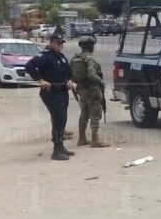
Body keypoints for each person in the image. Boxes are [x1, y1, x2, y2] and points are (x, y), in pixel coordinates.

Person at [25, 32, 76, 161]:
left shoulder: (61, 57)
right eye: (58, 43)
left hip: (63, 91)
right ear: (51, 43)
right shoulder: (45, 56)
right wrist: (40, 80)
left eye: (61, 43)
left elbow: (69, 72)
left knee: (62, 118)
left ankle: (61, 146)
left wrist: (70, 80)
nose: (60, 45)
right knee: (58, 118)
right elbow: (29, 66)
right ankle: (56, 151)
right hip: (51, 92)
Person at [70, 36, 110, 148]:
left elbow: (72, 75)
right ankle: (95, 139)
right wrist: (101, 82)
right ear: (91, 46)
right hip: (92, 90)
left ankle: (82, 139)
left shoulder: (75, 58)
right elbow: (91, 75)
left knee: (84, 114)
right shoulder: (89, 59)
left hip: (81, 89)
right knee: (95, 113)